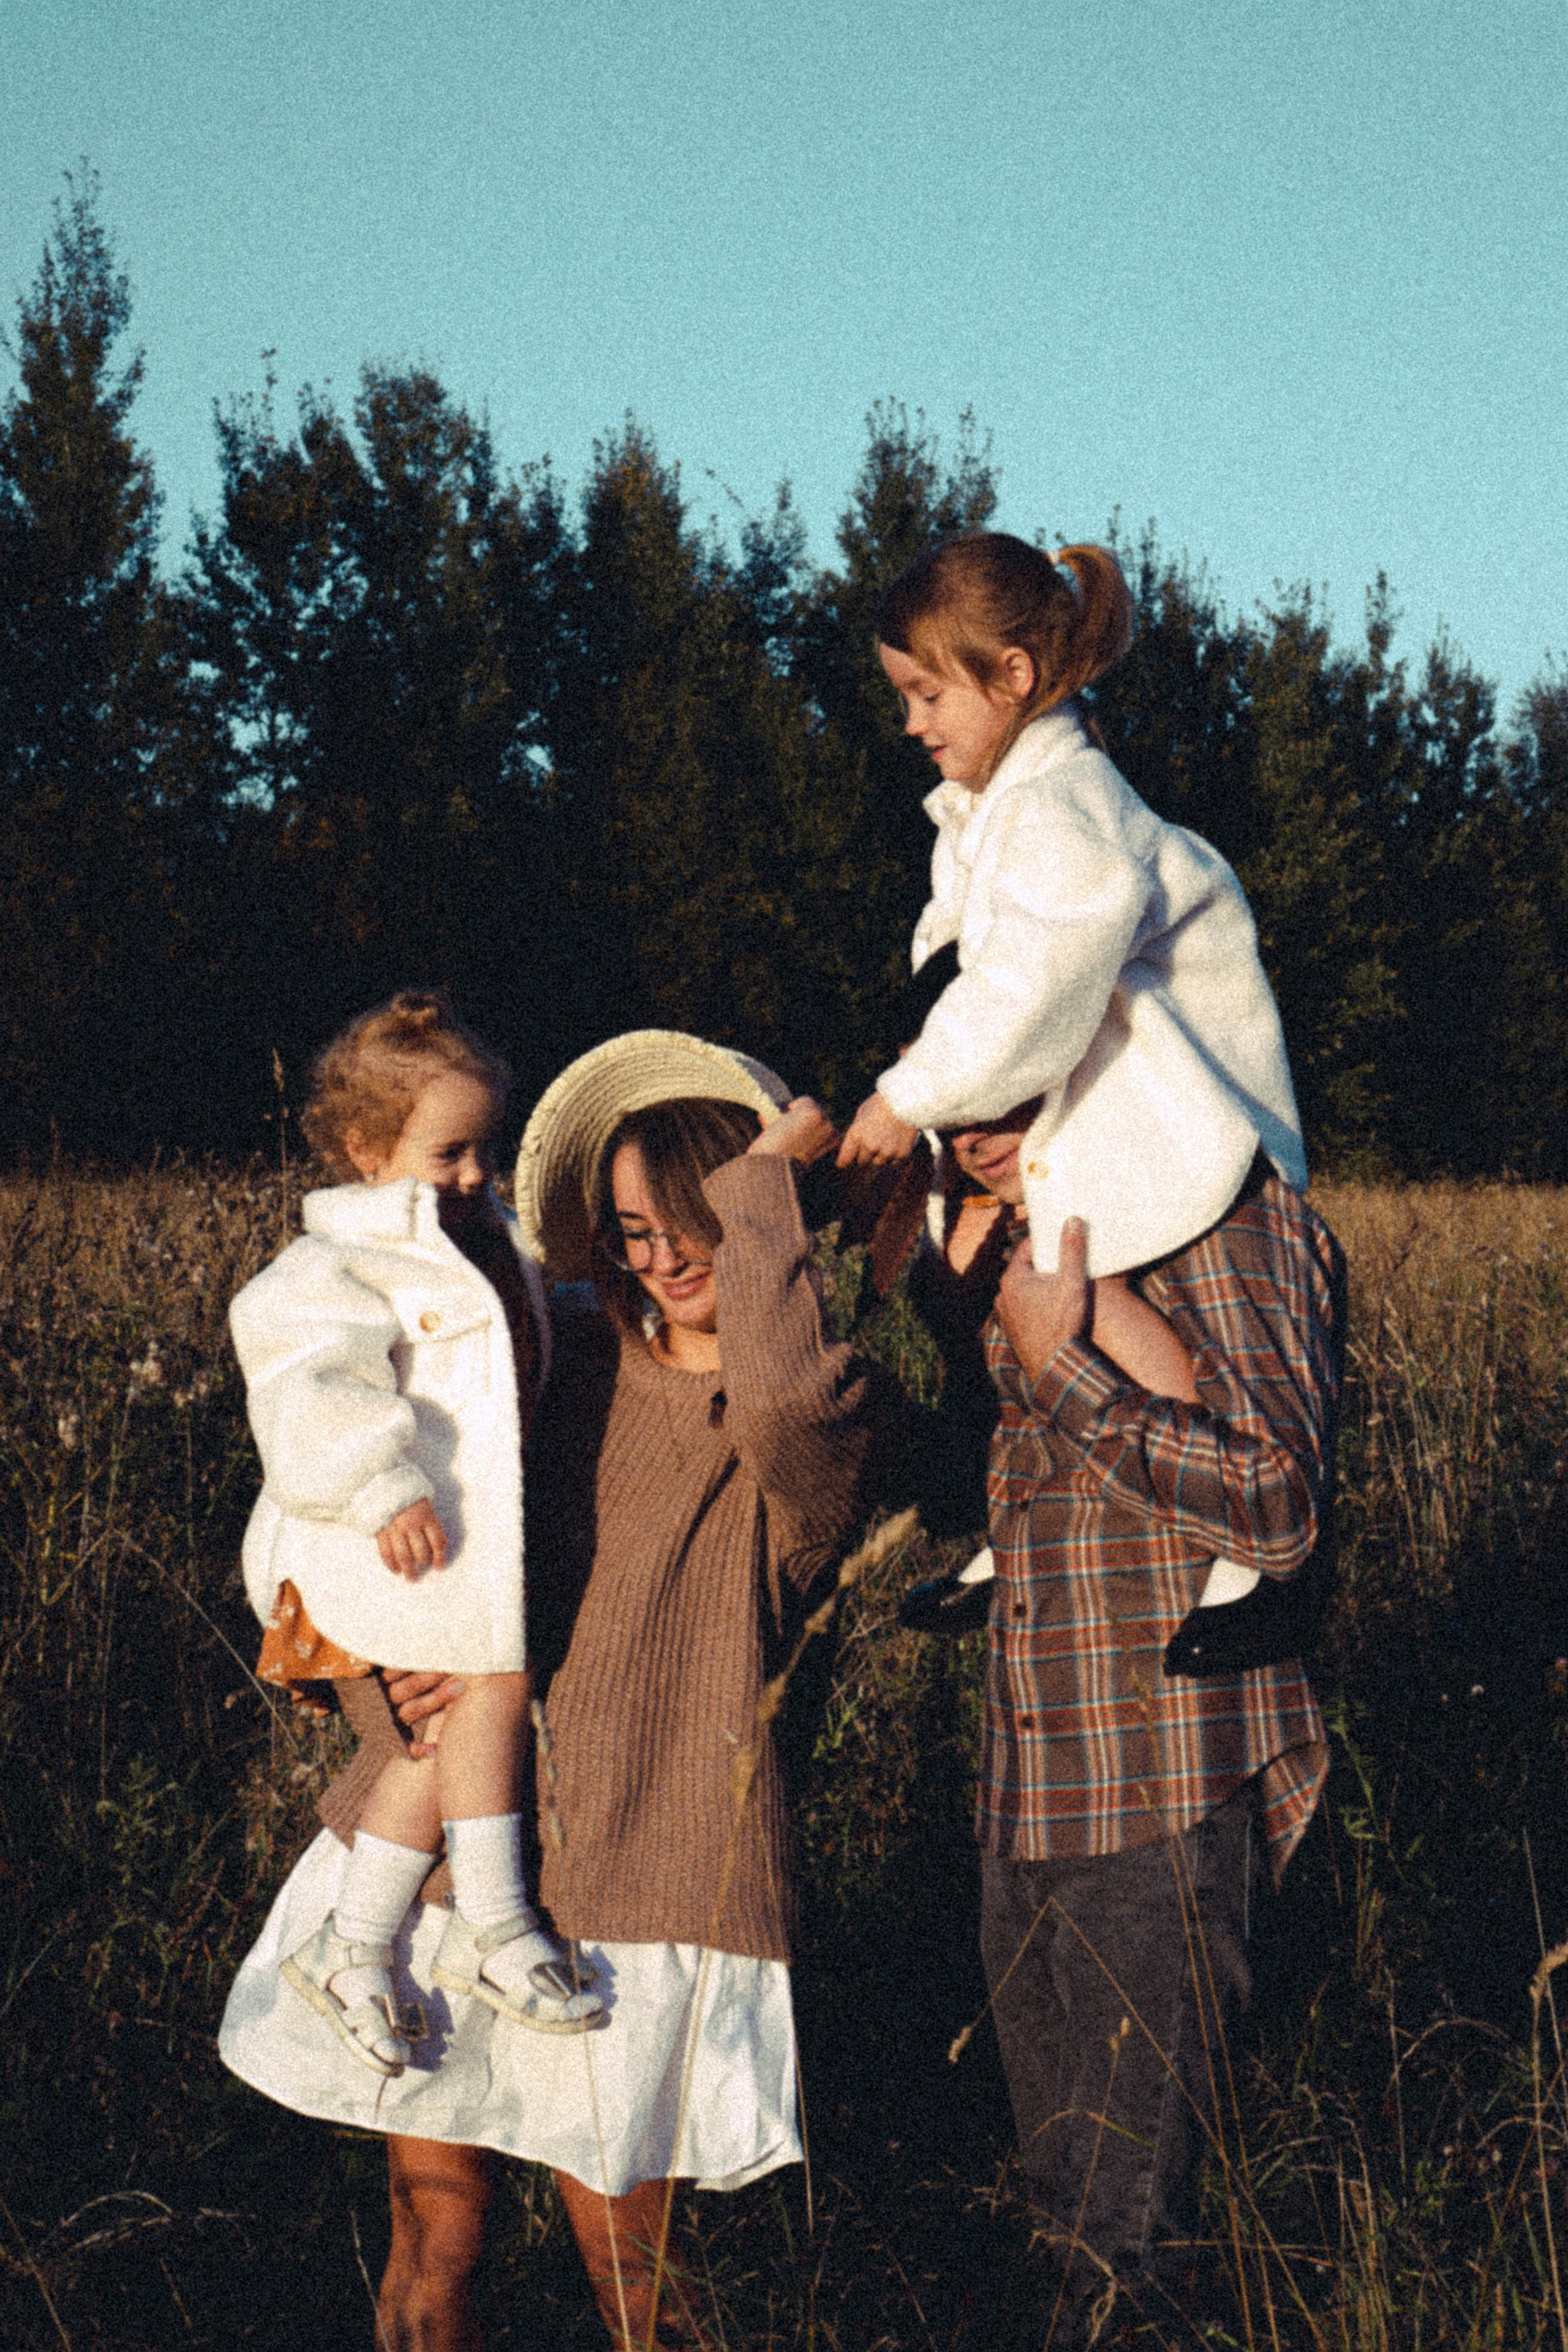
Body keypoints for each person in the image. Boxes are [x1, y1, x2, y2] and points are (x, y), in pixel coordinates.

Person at [221, 1030, 890, 2351]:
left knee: (635, 2281)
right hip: (457, 1861)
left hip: (648, 1884)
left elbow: (781, 1407)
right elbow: (352, 1504)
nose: (661, 1257)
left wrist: (768, 1198)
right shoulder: (553, 1355)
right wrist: (377, 1679)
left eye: (698, 1219)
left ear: (763, 1218)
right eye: (632, 1228)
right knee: (436, 2244)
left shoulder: (833, 1411)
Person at [907, 1088, 1342, 2346]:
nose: (975, 1127)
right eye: (957, 1100)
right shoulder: (1010, 1231)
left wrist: (1069, 1374)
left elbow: (1277, 1505)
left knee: (1129, 2244)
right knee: (1061, 2214)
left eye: (1010, 1090)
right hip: (1029, 1779)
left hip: (1155, 1782)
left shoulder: (1222, 1219)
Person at [228, 992, 601, 2079]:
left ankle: (353, 1947)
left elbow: (527, 1331)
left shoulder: (481, 1240)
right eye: (448, 1152)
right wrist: (380, 1477)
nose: (474, 1173)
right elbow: (304, 1385)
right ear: (364, 1150)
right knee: (488, 1683)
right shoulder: (336, 1267)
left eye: (485, 1146)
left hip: (446, 1543)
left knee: (447, 1728)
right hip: (368, 1531)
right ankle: (491, 1919)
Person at [837, 532, 1306, 1290]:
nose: (911, 722)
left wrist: (907, 1098)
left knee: (1211, 1398)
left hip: (1195, 1180)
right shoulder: (995, 816)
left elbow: (1031, 982)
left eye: (928, 695)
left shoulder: (1057, 806)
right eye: (903, 698)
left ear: (1014, 675)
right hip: (1142, 1183)